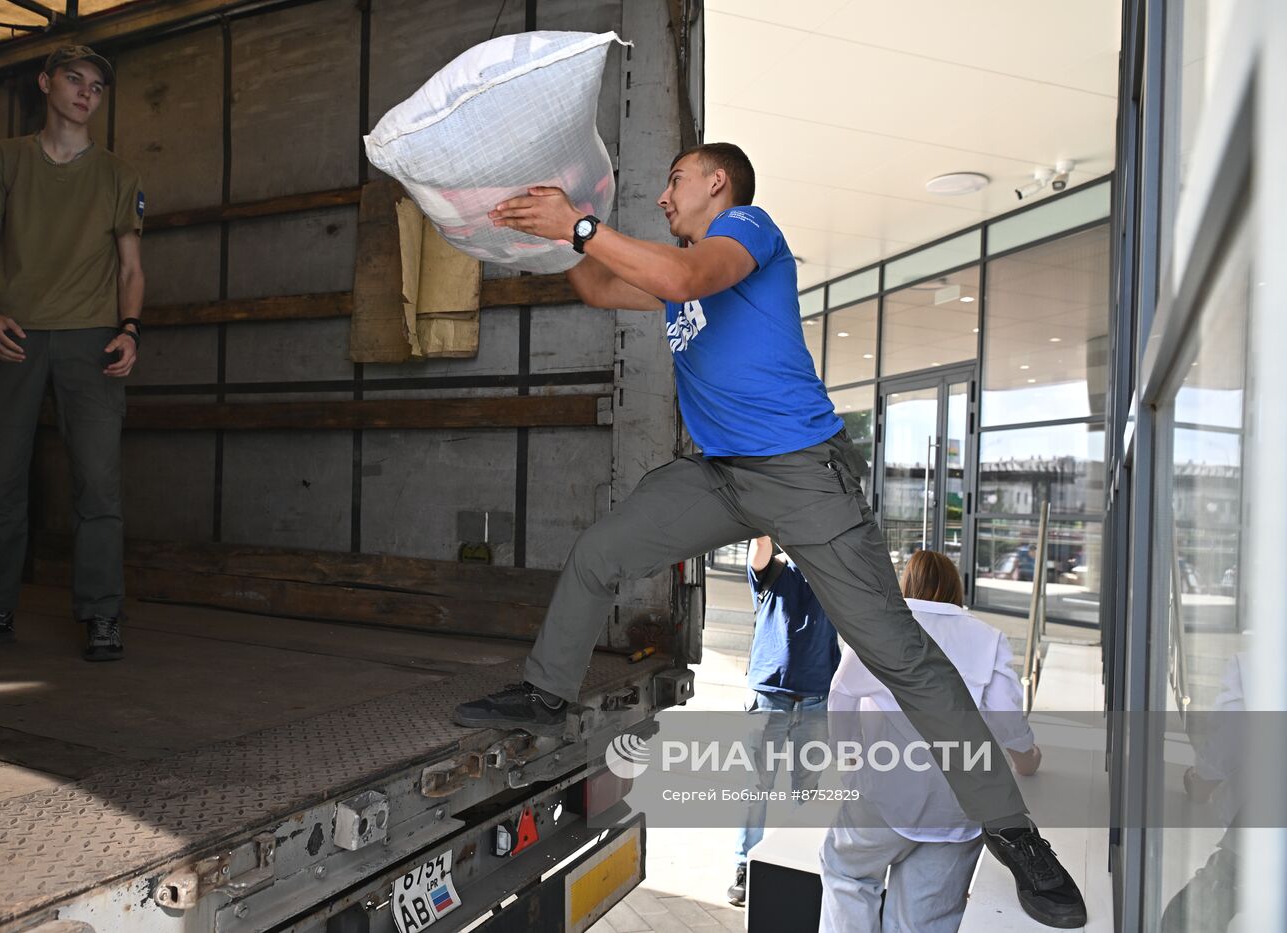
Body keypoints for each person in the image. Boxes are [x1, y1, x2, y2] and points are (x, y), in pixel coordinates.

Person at [450, 142, 1085, 926]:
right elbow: (596, 284)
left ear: (717, 182)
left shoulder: (749, 230)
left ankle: (1015, 834)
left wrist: (578, 224)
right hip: (723, 475)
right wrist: (554, 219)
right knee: (597, 551)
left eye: (675, 180)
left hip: (802, 472)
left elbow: (681, 273)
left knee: (900, 654)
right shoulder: (676, 279)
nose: (663, 197)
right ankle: (546, 693)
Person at [0, 46, 145, 662]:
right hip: (15, 336)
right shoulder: (3, 158)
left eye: (97, 88)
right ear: (45, 83)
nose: (86, 93)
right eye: (74, 80)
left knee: (98, 486)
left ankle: (102, 615)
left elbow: (132, 267)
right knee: (1, 479)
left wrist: (130, 329)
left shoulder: (117, 174)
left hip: (92, 340)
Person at [819, 550, 1046, 932]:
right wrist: (1027, 756)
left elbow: (841, 694)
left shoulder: (881, 631)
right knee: (922, 920)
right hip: (960, 807)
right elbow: (1007, 719)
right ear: (955, 588)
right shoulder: (987, 639)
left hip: (885, 796)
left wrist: (850, 759)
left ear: (906, 584)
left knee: (848, 875)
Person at [727, 535, 841, 906]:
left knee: (805, 794)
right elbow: (760, 544)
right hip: (769, 698)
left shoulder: (832, 577)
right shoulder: (773, 567)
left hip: (816, 701)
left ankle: (798, 866)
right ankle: (745, 865)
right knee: (755, 789)